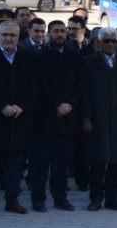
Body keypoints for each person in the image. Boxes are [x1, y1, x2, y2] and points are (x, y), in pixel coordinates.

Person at [0, 21, 39, 216]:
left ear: (19, 37)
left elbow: (33, 86)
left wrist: (21, 106)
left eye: (12, 35)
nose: (9, 38)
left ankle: (12, 200)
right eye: (5, 35)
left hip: (18, 119)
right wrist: (1, 106)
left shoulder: (28, 57)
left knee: (15, 166)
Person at [80, 27, 117, 211]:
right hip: (98, 119)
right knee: (98, 161)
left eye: (114, 41)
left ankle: (113, 197)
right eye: (107, 41)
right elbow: (84, 93)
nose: (111, 45)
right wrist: (86, 118)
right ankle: (96, 197)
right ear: (99, 43)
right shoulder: (88, 62)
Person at [29, 20, 84, 212]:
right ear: (48, 34)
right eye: (56, 32)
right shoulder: (40, 56)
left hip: (67, 118)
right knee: (40, 163)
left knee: (61, 163)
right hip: (45, 118)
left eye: (63, 31)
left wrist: (68, 105)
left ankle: (60, 198)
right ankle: (38, 198)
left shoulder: (75, 56)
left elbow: (79, 84)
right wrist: (56, 104)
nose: (60, 35)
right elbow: (40, 85)